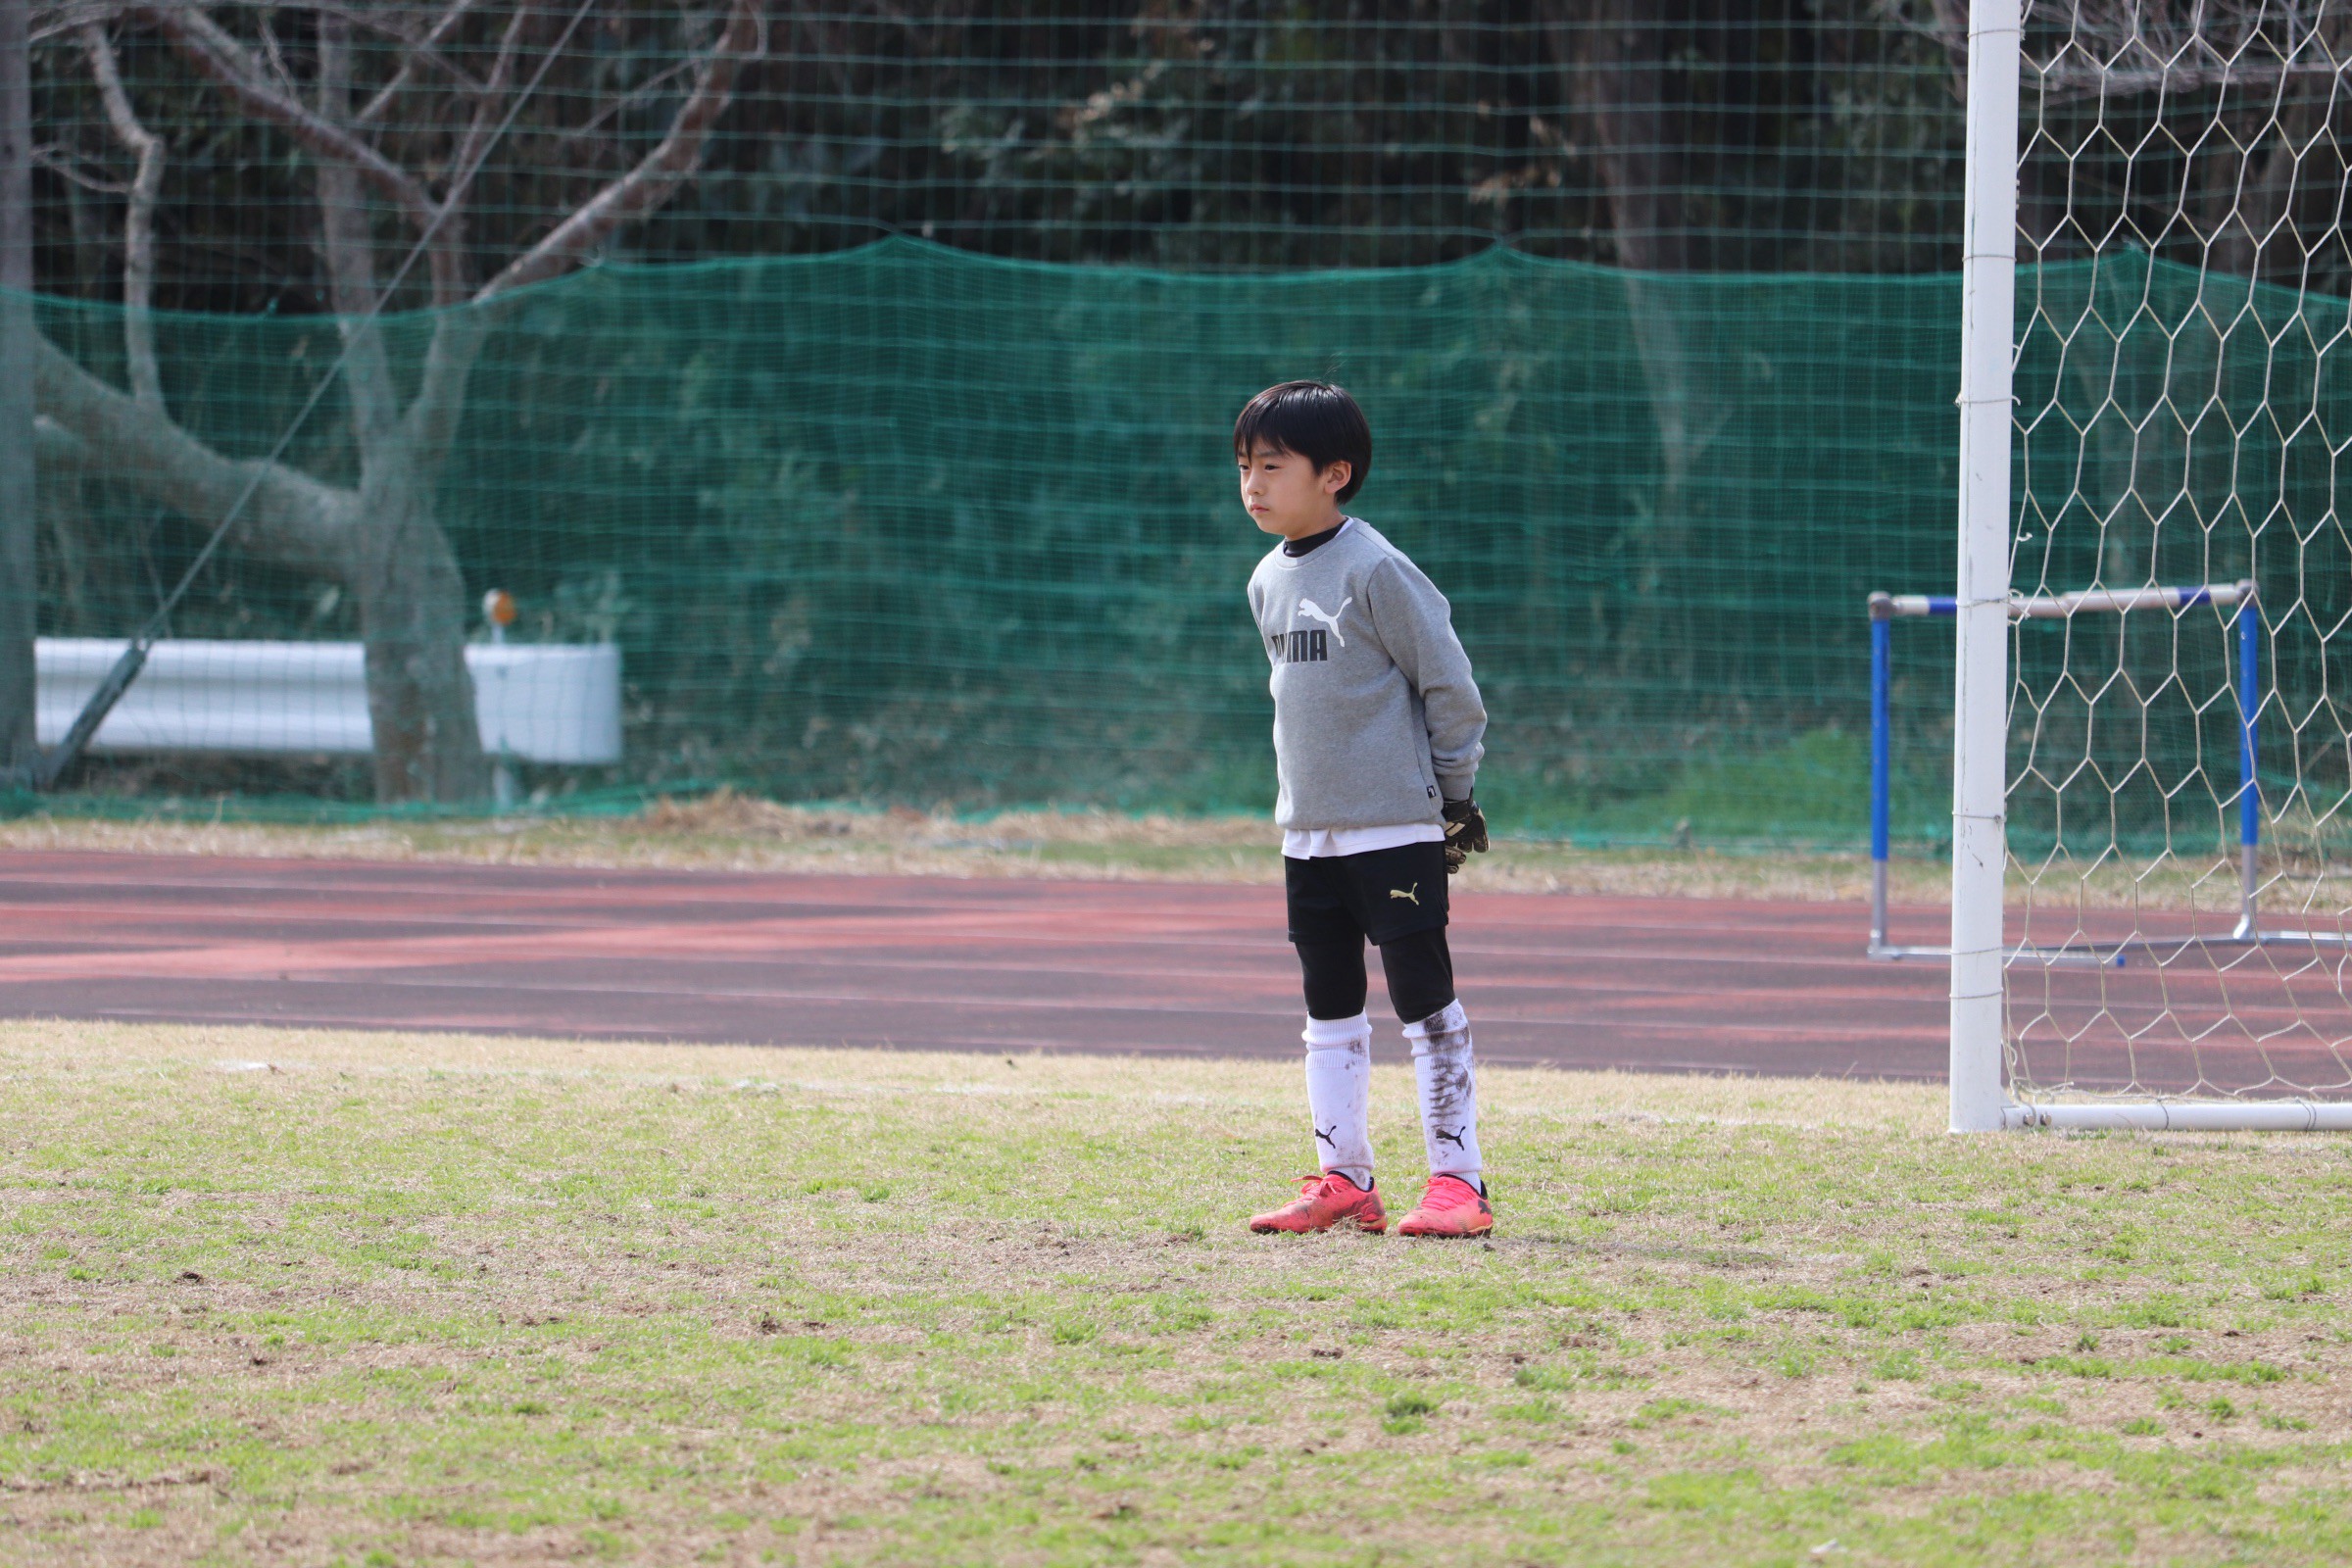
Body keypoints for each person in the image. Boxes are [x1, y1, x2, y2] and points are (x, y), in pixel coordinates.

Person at [1235, 380, 1494, 1240]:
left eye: (1273, 466)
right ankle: (1344, 1177)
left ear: (1335, 474)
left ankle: (1459, 1184)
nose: (1253, 485)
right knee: (1328, 1007)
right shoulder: (1266, 579)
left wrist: (1453, 796)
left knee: (1424, 1001)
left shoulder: (1378, 569)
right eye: (1245, 467)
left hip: (1393, 829)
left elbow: (1451, 689)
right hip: (1309, 834)